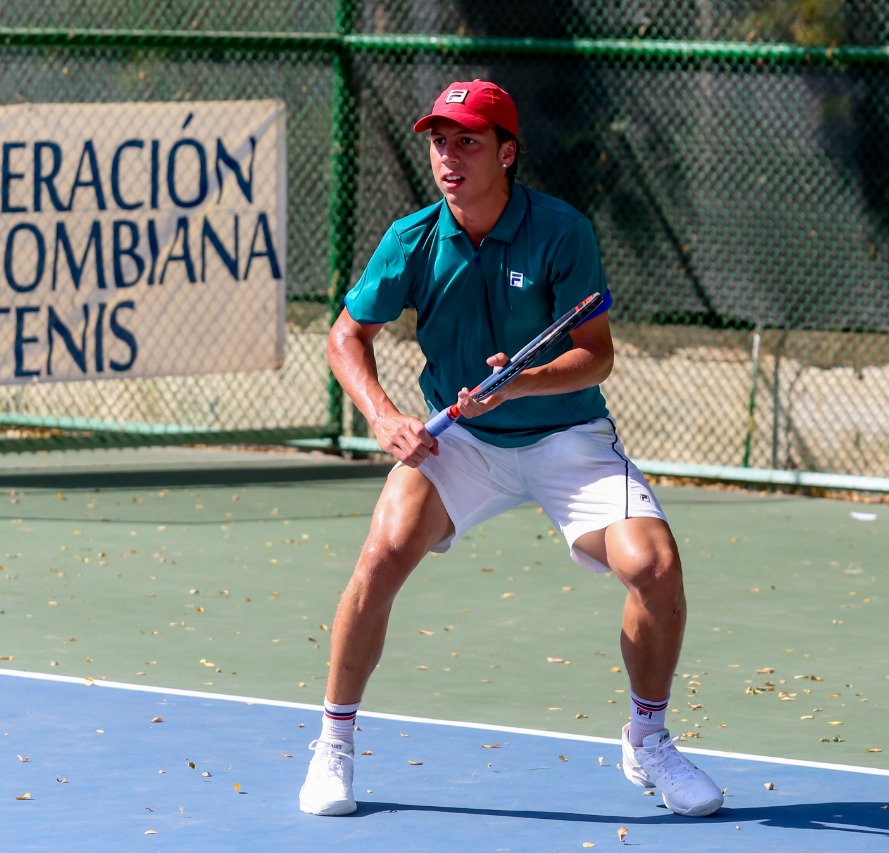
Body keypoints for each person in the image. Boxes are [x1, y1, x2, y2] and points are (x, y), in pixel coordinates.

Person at [299, 80, 723, 819]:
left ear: (507, 151)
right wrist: (382, 415)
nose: (449, 157)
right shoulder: (412, 240)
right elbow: (345, 336)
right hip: (457, 439)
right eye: (439, 140)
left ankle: (648, 741)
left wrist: (523, 382)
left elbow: (595, 355)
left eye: (468, 140)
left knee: (655, 567)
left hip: (569, 438)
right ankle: (333, 747)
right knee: (381, 554)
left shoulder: (562, 232)